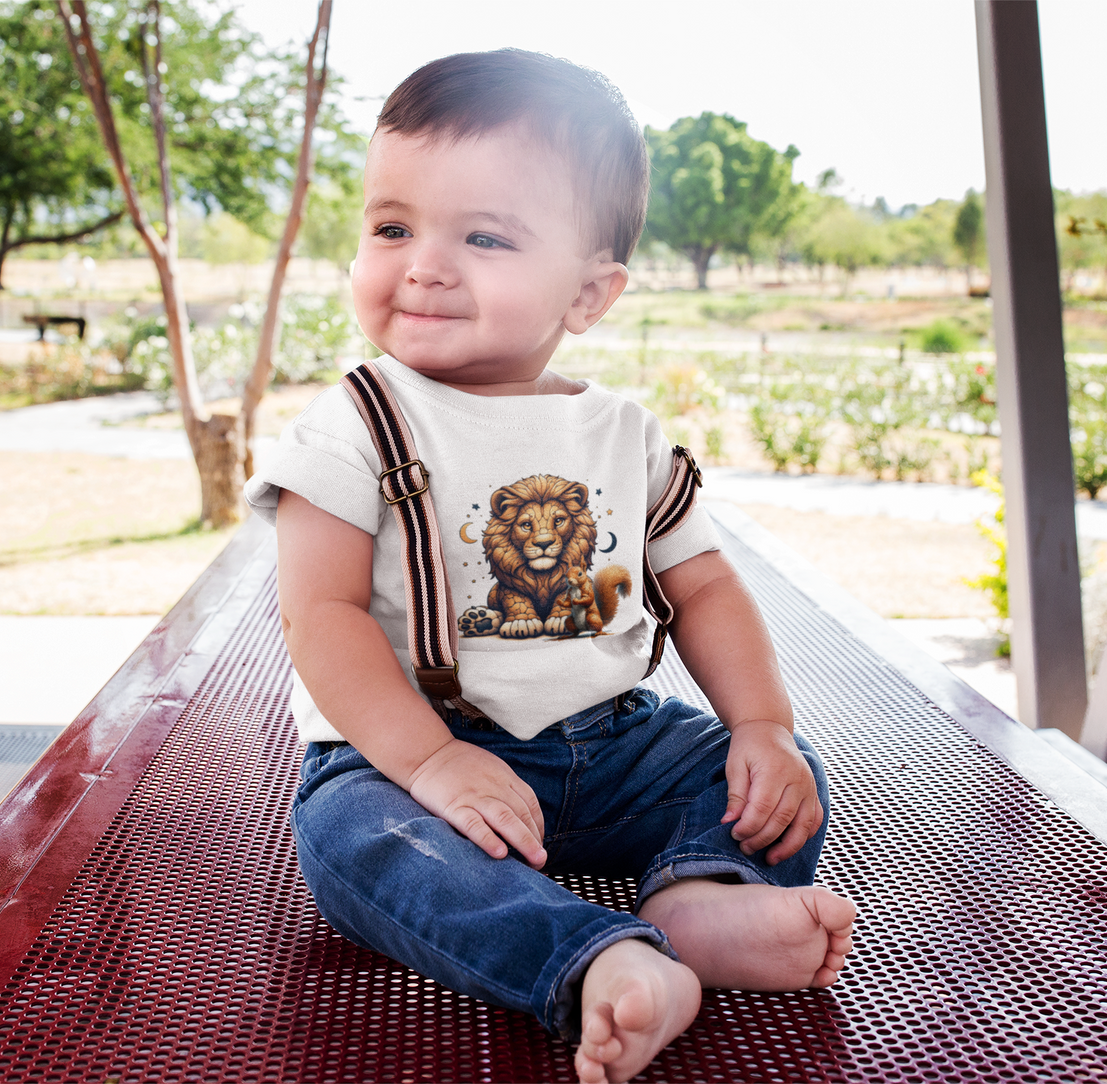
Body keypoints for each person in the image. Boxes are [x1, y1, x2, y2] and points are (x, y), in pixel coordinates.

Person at [245, 49, 856, 1084]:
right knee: (352, 838)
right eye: (392, 227)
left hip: (611, 751)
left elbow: (703, 583)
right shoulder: (353, 424)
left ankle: (694, 900)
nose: (423, 264)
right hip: (413, 757)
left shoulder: (620, 432)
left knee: (764, 778)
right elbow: (322, 616)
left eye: (483, 236)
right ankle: (591, 957)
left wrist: (761, 725)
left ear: (588, 292)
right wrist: (430, 761)